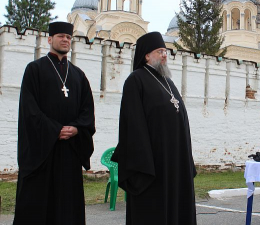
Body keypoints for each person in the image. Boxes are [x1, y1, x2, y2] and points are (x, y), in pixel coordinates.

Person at [14, 22, 96, 225]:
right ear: (49, 40)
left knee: (67, 205)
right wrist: (54, 130)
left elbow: (87, 110)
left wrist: (77, 128)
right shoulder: (35, 70)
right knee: (38, 205)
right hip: (42, 152)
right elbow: (29, 109)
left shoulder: (78, 75)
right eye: (61, 36)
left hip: (69, 152)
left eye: (68, 37)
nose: (65, 40)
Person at [111, 32, 197, 225]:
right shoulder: (136, 80)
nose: (165, 55)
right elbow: (132, 125)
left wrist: (185, 159)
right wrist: (144, 164)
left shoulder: (169, 82)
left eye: (165, 51)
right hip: (152, 166)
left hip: (175, 163)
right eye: (160, 51)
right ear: (146, 55)